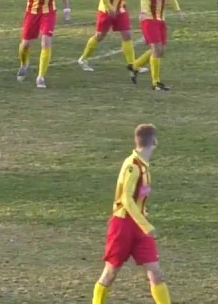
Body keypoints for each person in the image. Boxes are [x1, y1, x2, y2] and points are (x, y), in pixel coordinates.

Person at [91, 123, 172, 304]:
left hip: (139, 224)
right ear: (154, 142)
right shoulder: (132, 166)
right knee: (110, 273)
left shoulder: (142, 165)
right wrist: (145, 225)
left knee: (155, 272)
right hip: (123, 225)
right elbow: (126, 200)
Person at [134, 0, 180, 91]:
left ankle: (134, 66)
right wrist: (143, 12)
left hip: (161, 18)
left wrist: (177, 10)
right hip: (149, 19)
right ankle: (156, 83)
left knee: (161, 50)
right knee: (156, 50)